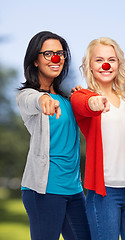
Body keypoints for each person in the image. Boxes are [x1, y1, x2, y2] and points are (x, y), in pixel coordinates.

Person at [16, 31, 90, 240]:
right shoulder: (27, 95)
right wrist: (43, 101)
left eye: (60, 53)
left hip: (74, 190)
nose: (55, 58)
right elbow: (31, 100)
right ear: (35, 60)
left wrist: (82, 97)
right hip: (44, 190)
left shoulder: (67, 100)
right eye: (48, 53)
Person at [70, 37, 125, 240]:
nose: (106, 65)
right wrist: (94, 102)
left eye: (112, 59)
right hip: (105, 192)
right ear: (89, 66)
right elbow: (83, 104)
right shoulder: (82, 95)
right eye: (99, 60)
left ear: (119, 64)